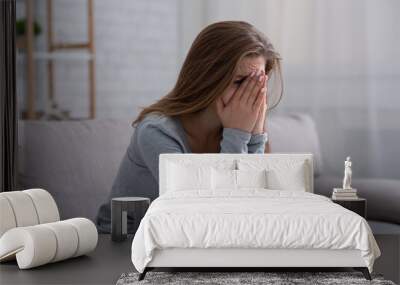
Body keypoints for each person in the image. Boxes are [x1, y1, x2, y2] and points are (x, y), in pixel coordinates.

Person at [96, 21, 283, 233]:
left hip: (183, 241)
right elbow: (203, 216)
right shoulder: (156, 131)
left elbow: (246, 206)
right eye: (240, 82)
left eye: (257, 83)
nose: (250, 94)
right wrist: (238, 134)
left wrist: (255, 136)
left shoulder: (238, 126)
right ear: (208, 77)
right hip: (123, 242)